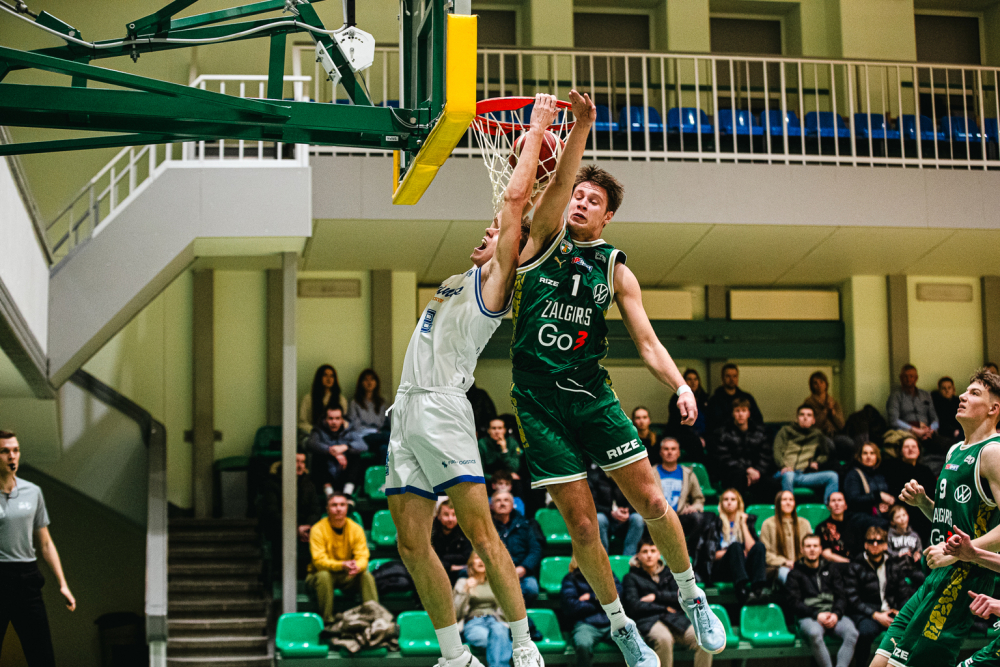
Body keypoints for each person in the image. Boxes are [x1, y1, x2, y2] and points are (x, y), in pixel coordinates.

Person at [506, 92, 726, 660]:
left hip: (590, 395)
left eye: (593, 200)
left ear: (607, 217)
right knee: (582, 527)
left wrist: (681, 385)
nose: (580, 202)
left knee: (652, 499)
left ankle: (692, 595)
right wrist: (575, 128)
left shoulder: (615, 267)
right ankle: (621, 626)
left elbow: (648, 343)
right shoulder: (541, 237)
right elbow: (557, 185)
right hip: (537, 403)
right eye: (577, 194)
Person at [382, 94, 559, 667]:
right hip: (406, 411)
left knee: (482, 532)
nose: (489, 229)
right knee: (411, 543)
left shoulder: (496, 281)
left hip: (443, 408)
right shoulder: (462, 276)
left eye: (498, 231)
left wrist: (537, 133)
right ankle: (454, 656)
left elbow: (513, 204)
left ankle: (524, 644)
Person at [868, 368, 1000, 667]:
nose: (962, 396)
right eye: (966, 390)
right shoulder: (954, 450)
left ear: (994, 409)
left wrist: (960, 552)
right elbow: (951, 520)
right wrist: (924, 504)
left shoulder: (993, 452)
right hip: (937, 574)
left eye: (974, 393)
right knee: (880, 662)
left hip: (963, 577)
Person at [0, 431, 75, 667]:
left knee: (41, 656)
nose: (12, 456)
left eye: (16, 450)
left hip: (27, 579)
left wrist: (63, 584)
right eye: (4, 451)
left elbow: (45, 543)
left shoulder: (33, 492)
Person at [621, 539, 713, 667]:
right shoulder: (630, 577)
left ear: (659, 554)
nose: (649, 555)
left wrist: (656, 596)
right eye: (645, 551)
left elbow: (681, 597)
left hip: (674, 618)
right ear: (638, 556)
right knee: (664, 639)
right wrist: (664, 607)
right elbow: (634, 606)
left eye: (653, 551)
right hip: (648, 620)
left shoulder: (669, 574)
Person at [844, 526, 920, 666]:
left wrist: (900, 612)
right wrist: (876, 615)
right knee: (865, 632)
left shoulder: (894, 565)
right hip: (868, 614)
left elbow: (904, 594)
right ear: (865, 545)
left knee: (911, 629)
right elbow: (852, 599)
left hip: (891, 611)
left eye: (879, 541)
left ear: (885, 545)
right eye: (871, 541)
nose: (875, 544)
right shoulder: (855, 566)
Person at [785, 534, 858, 667]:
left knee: (852, 633)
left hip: (833, 614)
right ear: (802, 550)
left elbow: (841, 596)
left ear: (820, 549)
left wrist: (836, 614)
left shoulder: (832, 569)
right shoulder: (794, 574)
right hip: (809, 616)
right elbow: (793, 603)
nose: (812, 549)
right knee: (814, 633)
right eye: (808, 546)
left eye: (815, 546)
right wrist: (816, 614)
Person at [306, 493, 378, 624]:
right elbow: (319, 561)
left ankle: (375, 620)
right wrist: (342, 565)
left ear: (347, 508)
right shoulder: (317, 529)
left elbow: (363, 556)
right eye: (334, 505)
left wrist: (357, 567)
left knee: (366, 575)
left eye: (342, 505)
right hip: (319, 575)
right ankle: (327, 621)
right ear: (327, 509)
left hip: (347, 575)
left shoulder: (356, 529)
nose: (338, 509)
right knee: (324, 576)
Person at [261, 451, 323, 576]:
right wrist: (296, 528)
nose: (300, 466)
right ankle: (280, 575)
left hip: (305, 527)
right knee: (280, 533)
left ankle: (313, 574)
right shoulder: (272, 483)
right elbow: (272, 513)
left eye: (303, 462)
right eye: (296, 461)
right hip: (281, 528)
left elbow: (315, 510)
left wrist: (307, 527)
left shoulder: (309, 484)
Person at [707, 398, 774, 504]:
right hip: (733, 473)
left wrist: (757, 471)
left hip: (757, 472)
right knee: (738, 477)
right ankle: (737, 511)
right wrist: (747, 470)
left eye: (743, 410)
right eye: (737, 411)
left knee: (772, 483)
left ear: (749, 413)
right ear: (733, 413)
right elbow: (723, 458)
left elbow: (766, 456)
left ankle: (765, 513)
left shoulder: (760, 432)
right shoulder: (723, 433)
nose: (740, 414)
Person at [562, 555, 623, 667]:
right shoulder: (570, 579)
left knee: (634, 638)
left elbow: (617, 598)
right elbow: (572, 606)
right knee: (582, 644)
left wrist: (591, 597)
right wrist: (602, 602)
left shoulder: (609, 574)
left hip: (612, 622)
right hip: (585, 624)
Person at [454, 552, 513, 667]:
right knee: (493, 640)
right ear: (471, 563)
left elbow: (506, 608)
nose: (481, 560)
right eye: (477, 558)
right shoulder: (463, 582)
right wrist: (465, 591)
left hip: (495, 620)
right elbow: (454, 613)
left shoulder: (497, 583)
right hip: (474, 621)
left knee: (499, 631)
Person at [772, 404, 839, 503]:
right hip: (784, 473)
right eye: (802, 415)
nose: (805, 418)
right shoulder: (785, 431)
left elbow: (825, 453)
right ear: (797, 418)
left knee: (833, 476)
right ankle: (788, 510)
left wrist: (817, 462)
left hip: (803, 475)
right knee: (789, 475)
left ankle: (829, 510)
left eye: (809, 415)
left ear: (813, 420)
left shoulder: (817, 434)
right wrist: (783, 466)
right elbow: (777, 450)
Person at [712, 488, 767, 603]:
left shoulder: (746, 522)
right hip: (723, 569)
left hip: (743, 567)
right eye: (726, 499)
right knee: (735, 546)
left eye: (733, 499)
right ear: (721, 503)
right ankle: (740, 587)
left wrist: (743, 525)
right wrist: (732, 553)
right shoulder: (714, 524)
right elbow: (710, 555)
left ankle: (758, 588)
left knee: (759, 546)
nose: (729, 502)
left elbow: (752, 549)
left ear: (739, 503)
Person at [490, 491, 542, 604]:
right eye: (498, 500)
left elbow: (535, 550)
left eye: (506, 500)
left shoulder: (525, 525)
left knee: (532, 588)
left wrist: (524, 568)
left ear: (512, 505)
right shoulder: (487, 527)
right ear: (491, 506)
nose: (502, 503)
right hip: (494, 573)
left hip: (521, 572)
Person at [881, 435, 935, 545]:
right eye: (906, 447)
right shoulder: (892, 467)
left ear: (919, 451)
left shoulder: (926, 471)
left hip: (924, 513)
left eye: (914, 446)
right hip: (903, 511)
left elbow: (933, 494)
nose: (910, 449)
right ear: (900, 451)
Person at [588, 463, 645, 557]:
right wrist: (611, 512)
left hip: (626, 519)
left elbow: (638, 499)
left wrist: (627, 511)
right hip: (606, 518)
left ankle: (629, 558)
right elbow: (591, 504)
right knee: (599, 519)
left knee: (638, 519)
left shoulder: (629, 475)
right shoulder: (595, 476)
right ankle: (602, 558)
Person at [843, 442, 892, 550]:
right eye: (865, 453)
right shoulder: (853, 474)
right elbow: (853, 500)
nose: (868, 456)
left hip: (878, 513)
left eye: (872, 453)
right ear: (860, 456)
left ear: (877, 456)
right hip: (858, 515)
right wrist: (878, 496)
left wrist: (887, 506)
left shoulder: (880, 475)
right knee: (883, 523)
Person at [307, 405, 365, 496]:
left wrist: (346, 447)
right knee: (318, 455)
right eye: (331, 418)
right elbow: (311, 444)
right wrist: (332, 452)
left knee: (355, 456)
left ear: (342, 420)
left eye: (337, 418)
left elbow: (363, 446)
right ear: (325, 419)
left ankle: (347, 494)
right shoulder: (318, 430)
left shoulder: (349, 430)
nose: (334, 422)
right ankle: (329, 494)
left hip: (344, 473)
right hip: (325, 476)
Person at [759, 490, 811, 583]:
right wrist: (784, 562)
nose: (788, 502)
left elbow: (810, 547)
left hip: (802, 565)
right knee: (791, 578)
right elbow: (765, 553)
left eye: (791, 500)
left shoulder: (804, 523)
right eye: (784, 500)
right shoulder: (768, 524)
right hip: (779, 567)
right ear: (778, 503)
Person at [885, 364, 940, 445]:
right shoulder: (895, 396)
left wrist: (931, 430)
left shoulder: (926, 395)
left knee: (947, 444)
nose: (908, 379)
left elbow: (935, 418)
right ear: (900, 378)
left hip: (927, 433)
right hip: (906, 433)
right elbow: (893, 420)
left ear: (916, 378)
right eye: (905, 377)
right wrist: (915, 430)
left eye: (911, 376)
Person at [666, 369, 709, 464]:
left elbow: (710, 421)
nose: (693, 382)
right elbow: (678, 423)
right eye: (689, 379)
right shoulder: (677, 399)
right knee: (694, 442)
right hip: (684, 434)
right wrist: (698, 438)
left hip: (704, 434)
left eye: (695, 379)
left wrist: (705, 437)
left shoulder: (705, 398)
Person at [705, 363, 763, 432]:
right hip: (722, 435)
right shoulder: (715, 400)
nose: (732, 379)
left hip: (746, 434)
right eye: (728, 376)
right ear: (722, 378)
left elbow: (758, 419)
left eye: (734, 376)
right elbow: (711, 423)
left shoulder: (747, 398)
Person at [433, 500, 473, 584]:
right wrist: (450, 567)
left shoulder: (465, 530)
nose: (450, 519)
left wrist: (443, 558)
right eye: (446, 514)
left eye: (454, 515)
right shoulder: (431, 531)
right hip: (435, 572)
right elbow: (428, 559)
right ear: (438, 516)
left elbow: (466, 556)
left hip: (459, 574)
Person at [300, 364, 349, 433]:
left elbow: (344, 421)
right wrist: (316, 431)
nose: (329, 379)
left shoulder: (341, 399)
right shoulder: (309, 398)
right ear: (319, 378)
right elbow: (302, 422)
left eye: (332, 376)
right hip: (314, 433)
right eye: (325, 375)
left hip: (334, 434)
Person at [804, 370, 846, 437]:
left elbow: (842, 425)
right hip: (819, 435)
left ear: (826, 384)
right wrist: (825, 411)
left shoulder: (834, 402)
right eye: (815, 383)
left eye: (821, 382)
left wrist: (833, 413)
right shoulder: (808, 403)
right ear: (812, 386)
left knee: (848, 442)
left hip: (836, 434)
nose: (819, 385)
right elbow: (811, 425)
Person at [815, 492, 852, 565]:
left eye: (839, 500)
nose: (836, 504)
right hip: (832, 565)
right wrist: (848, 563)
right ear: (828, 506)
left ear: (846, 505)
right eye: (833, 501)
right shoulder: (821, 527)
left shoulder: (854, 524)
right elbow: (826, 553)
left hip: (855, 566)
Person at [932, 376, 962, 444]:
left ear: (953, 389)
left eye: (949, 388)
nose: (947, 390)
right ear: (939, 390)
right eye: (944, 388)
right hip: (945, 432)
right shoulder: (936, 403)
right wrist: (953, 431)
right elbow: (940, 422)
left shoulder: (958, 401)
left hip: (960, 430)